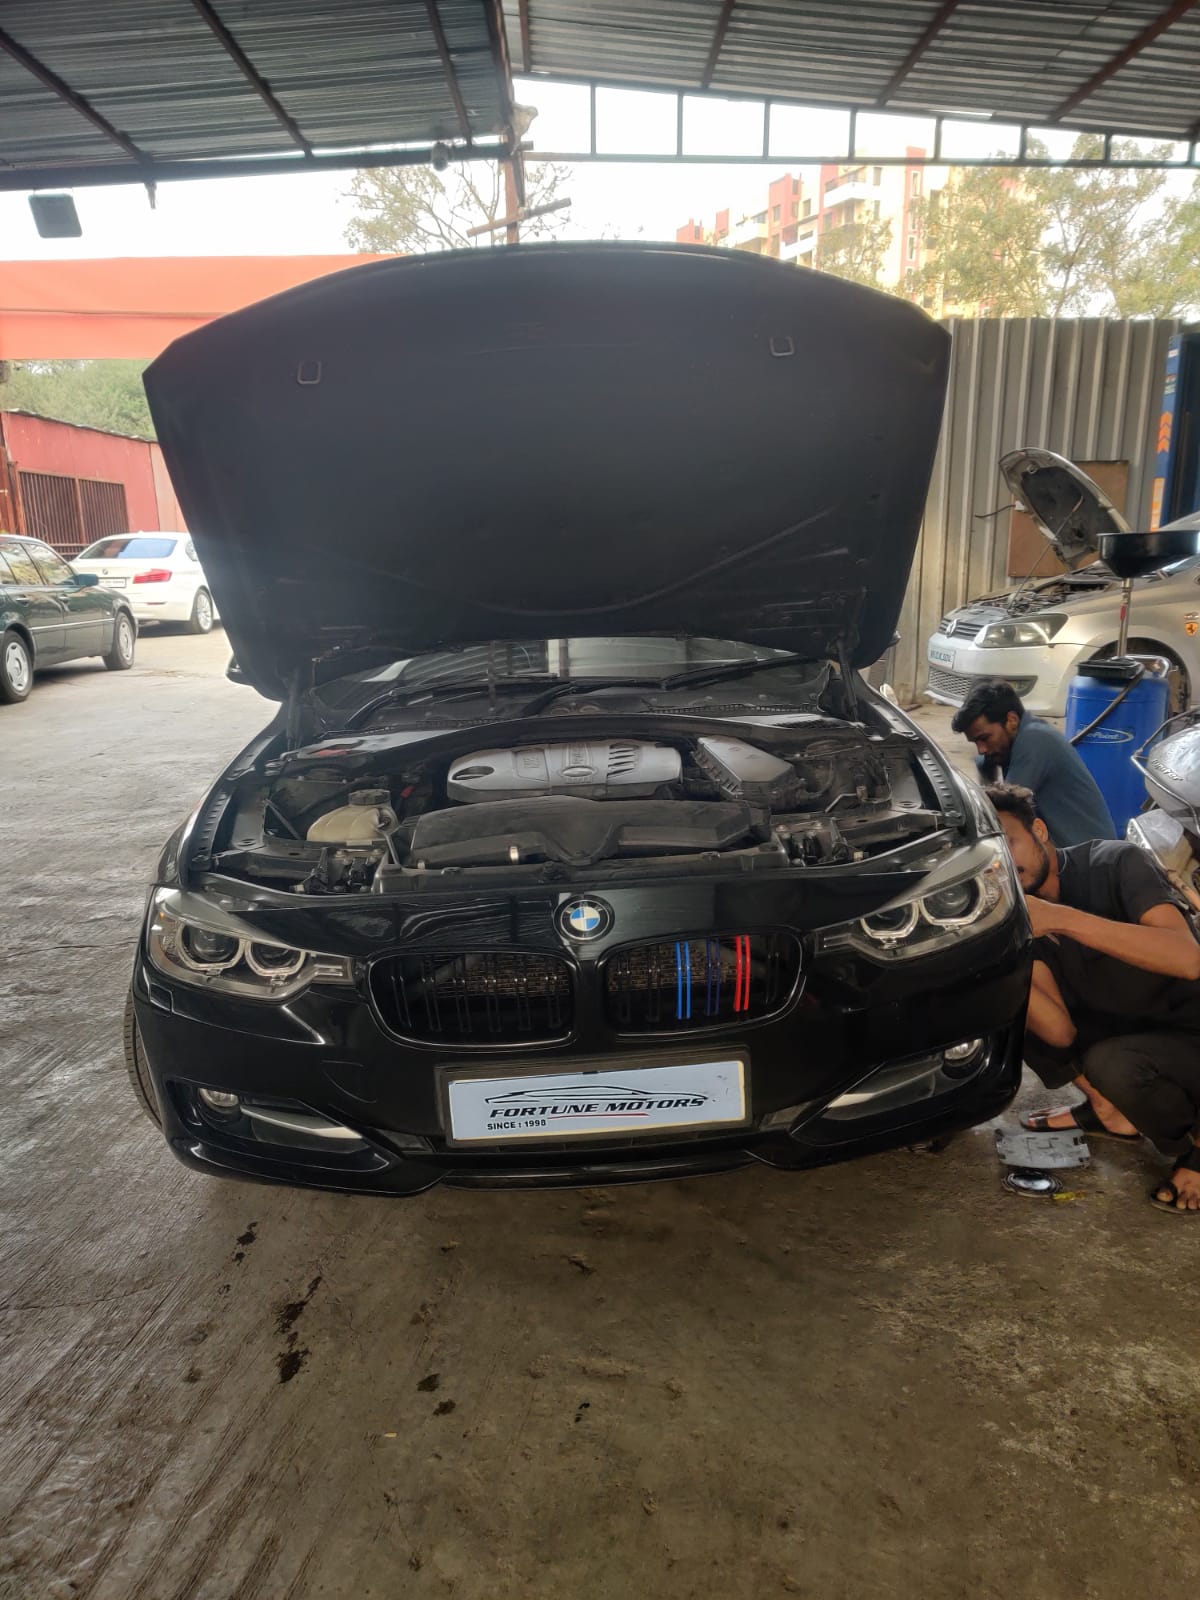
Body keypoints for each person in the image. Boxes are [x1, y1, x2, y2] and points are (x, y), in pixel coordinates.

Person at [987, 782, 1200, 1213]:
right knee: (1005, 1000)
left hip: (1190, 1033)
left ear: (1039, 831)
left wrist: (1061, 919)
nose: (1003, 864)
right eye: (987, 858)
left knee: (1113, 1065)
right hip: (1130, 1040)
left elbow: (1188, 959)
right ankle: (1108, 1109)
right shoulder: (1019, 912)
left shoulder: (1115, 862)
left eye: (1007, 843)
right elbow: (1058, 1033)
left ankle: (1195, 1148)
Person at [952, 678, 1115, 847]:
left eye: (985, 738)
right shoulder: (1016, 740)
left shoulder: (1035, 740)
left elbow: (1003, 814)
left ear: (1011, 720)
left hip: (1092, 858)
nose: (981, 750)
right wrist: (985, 766)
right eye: (975, 742)